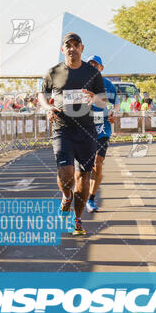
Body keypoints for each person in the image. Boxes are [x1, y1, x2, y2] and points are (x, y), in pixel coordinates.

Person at [38, 32, 106, 236]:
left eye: (76, 45)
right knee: (66, 173)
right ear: (63, 49)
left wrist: (94, 98)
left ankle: (77, 219)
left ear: (82, 48)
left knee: (83, 176)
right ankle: (66, 196)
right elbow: (42, 94)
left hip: (86, 130)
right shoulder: (54, 71)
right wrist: (47, 108)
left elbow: (103, 101)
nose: (72, 48)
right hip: (62, 128)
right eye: (68, 45)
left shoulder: (92, 73)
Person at [85, 55, 118, 213]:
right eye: (90, 64)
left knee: (98, 163)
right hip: (85, 128)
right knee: (84, 167)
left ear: (101, 68)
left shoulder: (108, 85)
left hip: (102, 128)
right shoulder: (82, 83)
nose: (92, 67)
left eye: (95, 65)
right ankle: (80, 194)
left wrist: (113, 112)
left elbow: (116, 103)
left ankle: (91, 199)